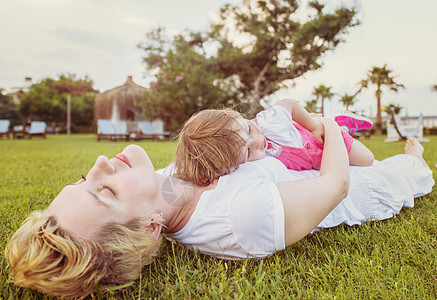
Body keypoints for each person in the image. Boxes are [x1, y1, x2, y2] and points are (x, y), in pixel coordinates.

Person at [5, 114, 434, 298]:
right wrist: (328, 126)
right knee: (409, 169)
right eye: (106, 192)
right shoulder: (239, 219)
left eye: (84, 181)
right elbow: (337, 184)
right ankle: (413, 155)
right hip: (370, 187)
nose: (99, 165)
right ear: (152, 227)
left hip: (307, 161)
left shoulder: (166, 187)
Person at [174, 100, 374, 186]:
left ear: (238, 117)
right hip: (311, 157)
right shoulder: (234, 158)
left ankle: (340, 124)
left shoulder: (269, 122)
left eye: (250, 130)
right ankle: (342, 127)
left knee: (367, 160)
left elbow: (289, 103)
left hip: (318, 139)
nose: (258, 141)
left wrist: (313, 125)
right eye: (249, 152)